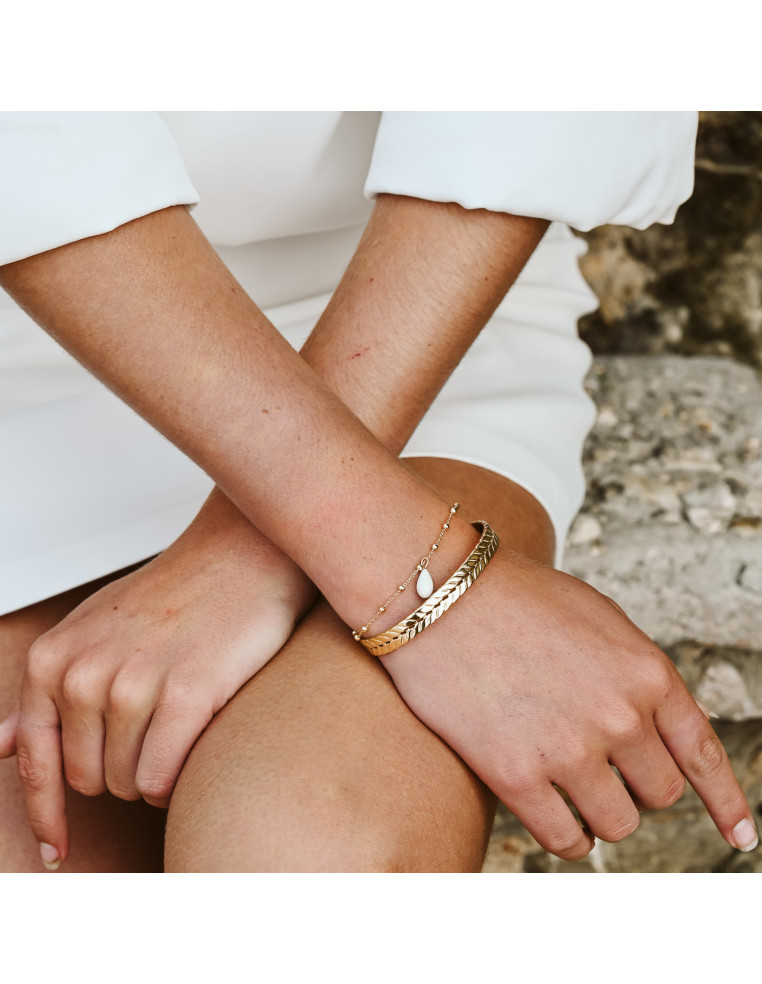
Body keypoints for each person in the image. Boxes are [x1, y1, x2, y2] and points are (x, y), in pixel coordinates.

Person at [0, 112, 756, 872]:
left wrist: (257, 548)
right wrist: (360, 551)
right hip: (27, 340)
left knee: (310, 849)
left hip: (412, 309)